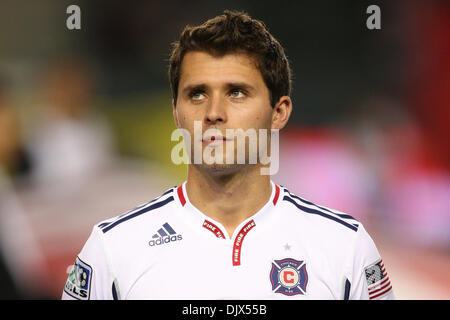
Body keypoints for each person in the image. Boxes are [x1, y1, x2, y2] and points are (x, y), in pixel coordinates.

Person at [62, 10, 394, 300]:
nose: (214, 113)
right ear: (176, 113)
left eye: (236, 92)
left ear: (278, 112)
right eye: (196, 94)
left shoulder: (345, 248)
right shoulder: (111, 249)